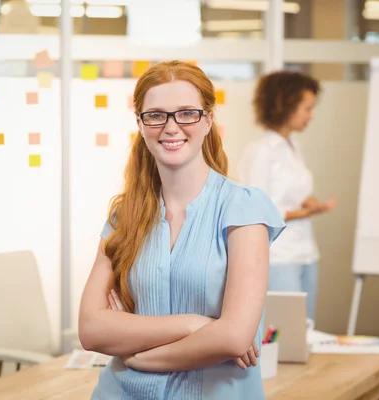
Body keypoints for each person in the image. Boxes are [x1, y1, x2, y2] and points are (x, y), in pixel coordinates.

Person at [78, 60, 286, 400]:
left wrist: (137, 355)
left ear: (208, 121)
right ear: (141, 126)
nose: (171, 127)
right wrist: (198, 325)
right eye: (156, 115)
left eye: (187, 113)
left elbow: (233, 338)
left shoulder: (244, 209)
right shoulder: (124, 215)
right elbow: (90, 330)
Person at [237, 70, 336, 321]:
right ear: (286, 106)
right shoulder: (261, 151)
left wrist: (311, 203)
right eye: (306, 108)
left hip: (306, 250)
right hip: (279, 255)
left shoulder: (293, 147)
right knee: (286, 333)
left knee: (306, 328)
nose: (310, 116)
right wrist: (303, 212)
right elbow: (257, 209)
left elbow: (290, 194)